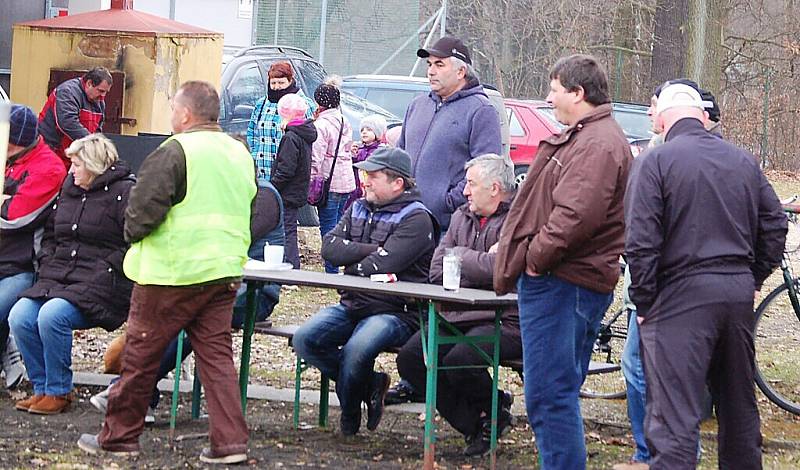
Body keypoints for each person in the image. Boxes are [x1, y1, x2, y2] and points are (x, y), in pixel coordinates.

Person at [77, 81, 255, 464]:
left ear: (186, 114)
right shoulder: (238, 152)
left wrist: (131, 233)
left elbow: (140, 215)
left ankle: (119, 437)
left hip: (171, 272)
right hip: (222, 271)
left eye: (173, 107)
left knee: (140, 356)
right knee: (217, 360)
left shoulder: (174, 151)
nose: (171, 114)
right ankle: (229, 443)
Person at [625, 83, 786, 469]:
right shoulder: (743, 160)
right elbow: (775, 224)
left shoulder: (655, 162)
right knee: (738, 409)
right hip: (735, 294)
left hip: (678, 297)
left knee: (674, 418)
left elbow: (640, 241)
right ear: (702, 115)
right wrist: (754, 278)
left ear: (663, 119)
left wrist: (645, 300)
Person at [493, 54, 632, 469]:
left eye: (555, 89)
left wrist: (535, 259)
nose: (549, 97)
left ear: (578, 93)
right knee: (556, 393)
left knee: (550, 396)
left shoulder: (598, 143)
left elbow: (575, 216)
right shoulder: (589, 137)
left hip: (562, 284)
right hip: (564, 282)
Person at [90, 177, 286, 423]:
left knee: (187, 319)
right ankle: (136, 396)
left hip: (256, 294)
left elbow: (232, 239)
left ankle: (127, 392)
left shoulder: (264, 196)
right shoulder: (228, 193)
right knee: (171, 314)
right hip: (220, 286)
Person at [292, 147, 438, 436]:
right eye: (364, 174)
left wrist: (360, 258)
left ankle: (349, 419)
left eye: (373, 175)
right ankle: (370, 383)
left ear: (398, 183)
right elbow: (329, 248)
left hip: (396, 311)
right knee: (304, 340)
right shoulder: (358, 206)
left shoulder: (417, 218)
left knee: (355, 350)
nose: (365, 181)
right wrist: (374, 253)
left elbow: (388, 262)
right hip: (352, 303)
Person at [613, 78, 719, 470]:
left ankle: (656, 453)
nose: (649, 113)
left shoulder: (664, 160)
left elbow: (645, 236)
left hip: (663, 291)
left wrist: (643, 297)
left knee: (646, 368)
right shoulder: (662, 154)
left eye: (654, 106)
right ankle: (658, 451)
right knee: (646, 369)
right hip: (666, 288)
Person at [396, 153, 520, 457]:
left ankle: (491, 415)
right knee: (412, 359)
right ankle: (475, 422)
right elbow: (437, 271)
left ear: (494, 188)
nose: (464, 191)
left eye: (471, 184)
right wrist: (478, 261)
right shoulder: (461, 215)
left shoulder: (519, 219)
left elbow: (501, 272)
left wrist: (461, 258)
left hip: (508, 320)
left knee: (459, 359)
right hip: (459, 313)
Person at [8, 134, 133, 415]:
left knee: (53, 316)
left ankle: (59, 390)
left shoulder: (124, 193)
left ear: (93, 165)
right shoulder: (71, 189)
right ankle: (41, 388)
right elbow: (52, 233)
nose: (71, 170)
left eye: (76, 164)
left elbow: (132, 243)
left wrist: (107, 269)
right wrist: (49, 260)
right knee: (20, 316)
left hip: (101, 283)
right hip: (60, 277)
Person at [398, 36, 501, 231]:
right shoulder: (418, 105)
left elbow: (486, 168)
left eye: (439, 64)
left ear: (461, 71)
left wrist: (448, 202)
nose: (431, 71)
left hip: (448, 227)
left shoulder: (481, 109)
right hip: (406, 221)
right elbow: (400, 156)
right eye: (429, 64)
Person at [0, 105, 67, 390]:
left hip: (22, 265)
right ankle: (8, 353)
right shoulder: (9, 153)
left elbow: (15, 217)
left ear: (21, 142)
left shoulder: (49, 168)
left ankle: (10, 354)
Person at [311, 79, 355, 273]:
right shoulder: (345, 120)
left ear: (319, 102)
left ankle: (331, 270)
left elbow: (316, 156)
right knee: (338, 225)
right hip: (345, 180)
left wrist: (312, 179)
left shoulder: (321, 125)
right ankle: (338, 264)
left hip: (329, 180)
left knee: (328, 228)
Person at [247, 61, 316, 184]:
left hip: (287, 176)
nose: (277, 87)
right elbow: (252, 132)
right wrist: (253, 157)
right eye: (273, 83)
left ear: (290, 81)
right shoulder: (261, 104)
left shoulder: (303, 104)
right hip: (261, 172)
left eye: (281, 82)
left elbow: (310, 137)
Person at [271, 94, 318, 269]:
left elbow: (286, 169)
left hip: (287, 192)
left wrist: (272, 187)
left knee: (287, 230)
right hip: (298, 189)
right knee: (288, 228)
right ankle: (289, 264)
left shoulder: (290, 137)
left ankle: (290, 266)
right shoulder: (304, 133)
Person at [38, 67, 112, 169]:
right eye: (100, 90)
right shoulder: (67, 92)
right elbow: (67, 123)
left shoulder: (99, 102)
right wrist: (93, 145)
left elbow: (97, 129)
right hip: (51, 153)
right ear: (89, 83)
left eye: (106, 92)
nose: (103, 96)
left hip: (73, 156)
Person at [346, 114, 387, 210]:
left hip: (371, 189)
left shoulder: (381, 151)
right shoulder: (359, 148)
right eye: (362, 130)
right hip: (356, 189)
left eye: (369, 130)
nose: (364, 132)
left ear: (378, 132)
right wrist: (352, 155)